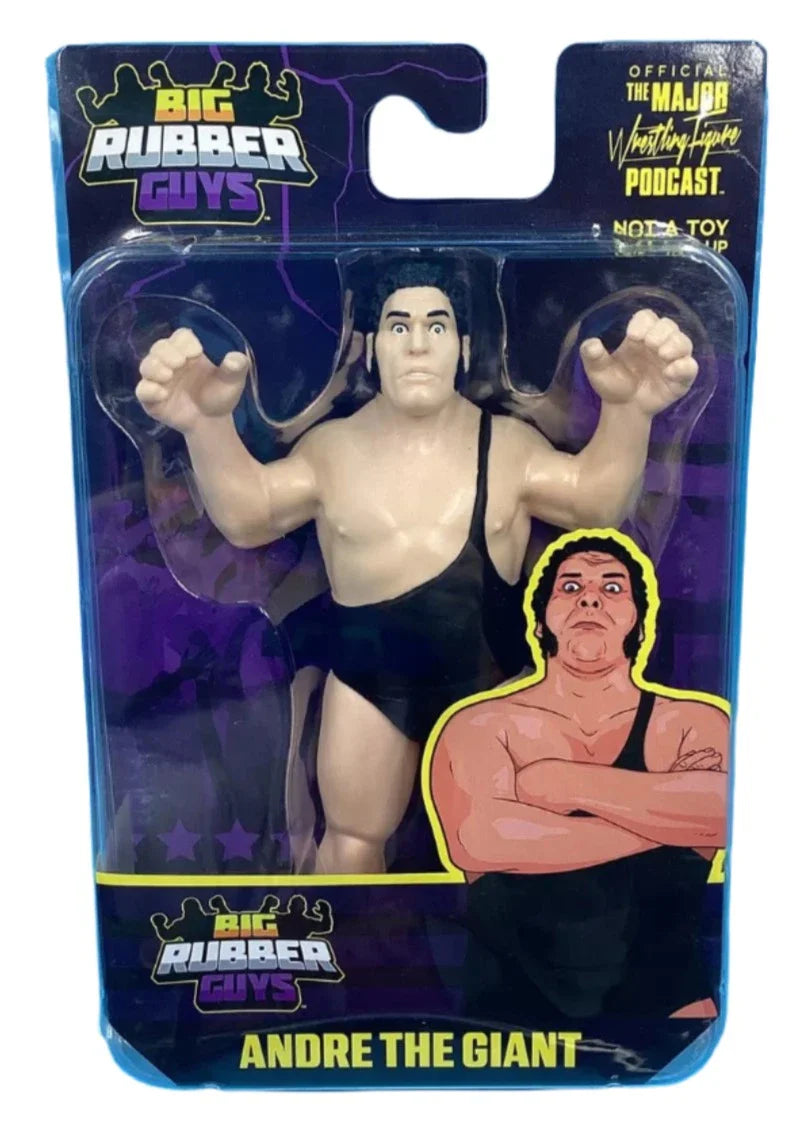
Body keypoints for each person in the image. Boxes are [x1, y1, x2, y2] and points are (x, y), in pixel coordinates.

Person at [136, 259, 699, 874]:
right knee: (351, 840)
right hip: (368, 683)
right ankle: (338, 937)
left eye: (437, 325)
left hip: (490, 676)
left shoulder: (507, 447)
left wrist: (630, 413)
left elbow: (594, 504)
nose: (418, 344)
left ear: (464, 347)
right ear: (371, 347)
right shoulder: (333, 450)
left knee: (518, 839)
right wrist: (205, 425)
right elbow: (250, 516)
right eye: (399, 326)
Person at [429, 532, 728, 1019]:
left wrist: (557, 781)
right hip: (510, 1030)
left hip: (677, 1022)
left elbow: (725, 811)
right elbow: (480, 837)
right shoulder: (480, 726)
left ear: (639, 620)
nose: (590, 597)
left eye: (612, 587)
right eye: (570, 586)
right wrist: (667, 822)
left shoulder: (689, 723)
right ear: (541, 618)